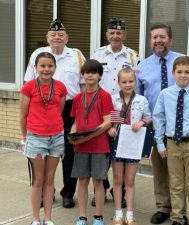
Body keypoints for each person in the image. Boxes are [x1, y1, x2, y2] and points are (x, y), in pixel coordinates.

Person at [135, 24, 189, 224]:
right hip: (156, 126)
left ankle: (185, 211)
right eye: (154, 37)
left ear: (170, 39)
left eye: (162, 37)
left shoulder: (182, 61)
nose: (158, 40)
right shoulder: (143, 66)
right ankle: (164, 207)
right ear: (151, 40)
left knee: (184, 174)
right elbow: (138, 98)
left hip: (184, 127)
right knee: (160, 170)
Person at [24, 19, 85, 209]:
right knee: (39, 153)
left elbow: (83, 86)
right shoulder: (38, 54)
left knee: (70, 153)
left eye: (61, 35)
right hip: (41, 109)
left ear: (66, 37)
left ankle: (68, 193)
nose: (57, 37)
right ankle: (41, 193)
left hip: (70, 108)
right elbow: (27, 82)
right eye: (53, 35)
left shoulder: (76, 55)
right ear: (47, 38)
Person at [152, 56, 189, 225]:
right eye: (179, 71)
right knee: (176, 183)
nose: (183, 75)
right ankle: (178, 217)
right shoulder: (165, 94)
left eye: (187, 72)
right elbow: (159, 119)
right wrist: (159, 143)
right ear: (173, 73)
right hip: (172, 143)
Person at [92, 17, 140, 208]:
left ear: (124, 35)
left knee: (121, 148)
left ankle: (118, 189)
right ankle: (101, 189)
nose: (115, 36)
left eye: (119, 33)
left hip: (123, 107)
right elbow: (91, 78)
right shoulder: (97, 54)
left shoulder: (132, 56)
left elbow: (138, 84)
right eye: (112, 33)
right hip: (102, 109)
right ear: (107, 35)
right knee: (102, 152)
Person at [20, 52, 67, 225]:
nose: (46, 69)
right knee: (37, 180)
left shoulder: (61, 87)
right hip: (35, 138)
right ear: (36, 68)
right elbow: (23, 115)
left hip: (56, 137)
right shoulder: (28, 87)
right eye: (43, 66)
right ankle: (35, 219)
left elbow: (59, 110)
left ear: (55, 67)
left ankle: (48, 218)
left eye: (50, 66)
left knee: (50, 179)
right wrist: (24, 138)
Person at [68, 59, 113, 225]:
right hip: (81, 146)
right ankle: (82, 216)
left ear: (100, 76)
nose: (90, 75)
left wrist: (88, 136)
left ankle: (99, 216)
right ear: (82, 75)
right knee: (83, 181)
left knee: (98, 181)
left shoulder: (105, 96)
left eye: (94, 73)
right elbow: (75, 121)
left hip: (99, 146)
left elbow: (108, 122)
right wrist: (73, 133)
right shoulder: (78, 97)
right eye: (87, 72)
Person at [108, 68, 152, 225]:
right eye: (124, 81)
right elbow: (107, 119)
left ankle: (130, 215)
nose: (127, 84)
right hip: (117, 143)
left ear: (135, 82)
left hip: (133, 144)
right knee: (118, 180)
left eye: (131, 81)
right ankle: (118, 213)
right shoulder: (112, 99)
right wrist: (110, 128)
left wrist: (141, 122)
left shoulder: (142, 100)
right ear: (118, 83)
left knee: (130, 181)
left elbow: (148, 117)